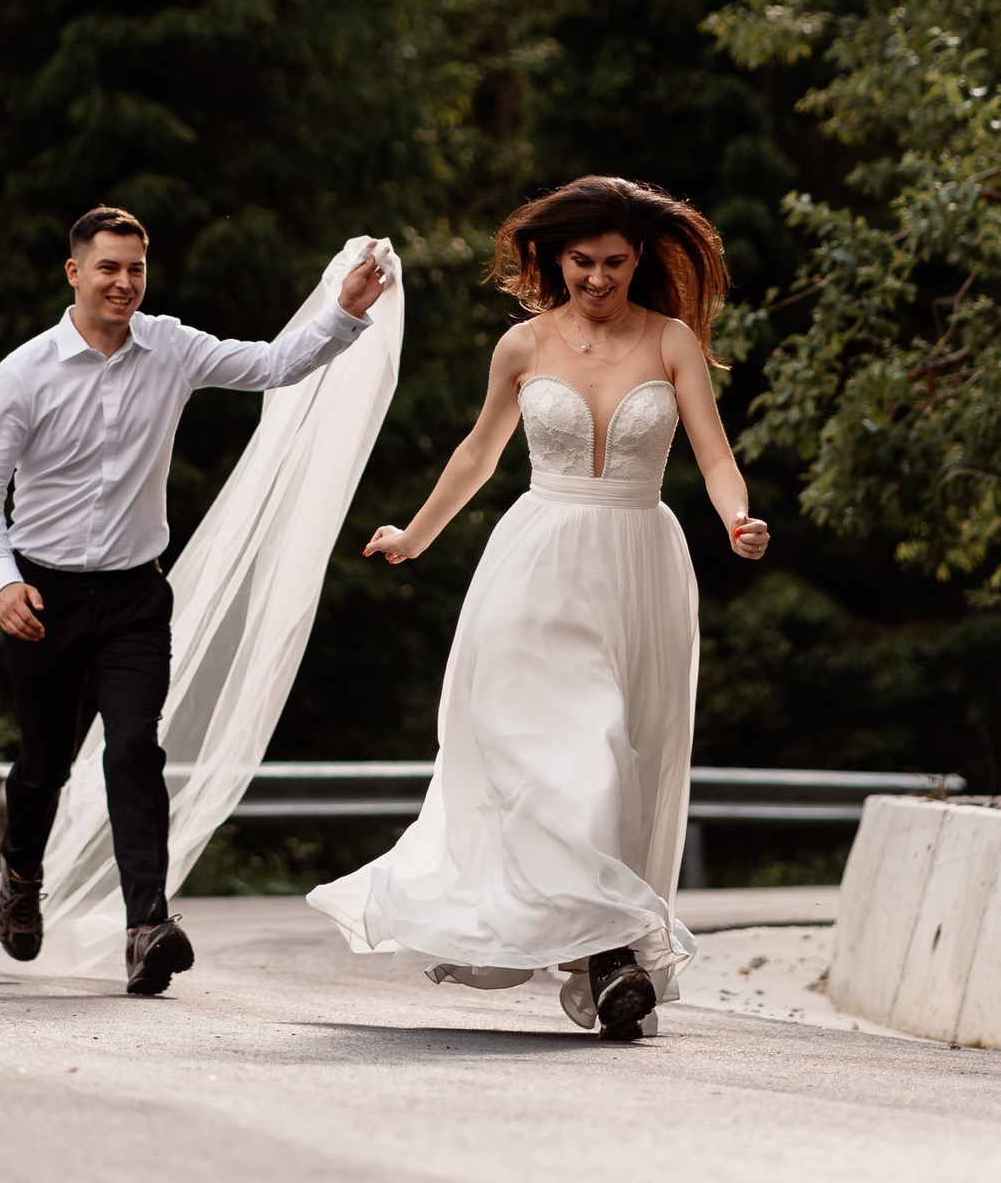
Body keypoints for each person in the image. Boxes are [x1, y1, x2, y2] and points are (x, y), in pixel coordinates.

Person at [307, 176, 769, 1040]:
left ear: (641, 261)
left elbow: (713, 454)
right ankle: (610, 959)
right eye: (584, 262)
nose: (599, 279)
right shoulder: (522, 346)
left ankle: (605, 955)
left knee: (624, 755)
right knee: (575, 754)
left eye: (617, 263)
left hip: (639, 564)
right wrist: (414, 532)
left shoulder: (671, 341)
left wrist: (736, 516)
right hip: (535, 565)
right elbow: (480, 451)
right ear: (555, 259)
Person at [0, 206, 391, 995]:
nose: (124, 283)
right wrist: (2, 581)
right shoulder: (23, 372)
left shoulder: (173, 348)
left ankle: (146, 925)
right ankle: (20, 877)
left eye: (136, 269)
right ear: (74, 273)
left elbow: (272, 364)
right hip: (41, 594)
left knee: (133, 750)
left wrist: (346, 309)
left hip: (132, 595)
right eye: (108, 268)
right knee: (44, 762)